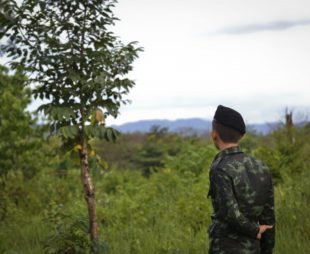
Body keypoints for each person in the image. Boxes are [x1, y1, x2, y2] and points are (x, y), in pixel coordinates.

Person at [208, 105, 275, 254]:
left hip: (226, 248)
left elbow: (230, 213)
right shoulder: (261, 166)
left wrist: (254, 230)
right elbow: (268, 216)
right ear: (242, 136)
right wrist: (267, 247)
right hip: (255, 247)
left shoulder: (220, 168)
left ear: (214, 134)